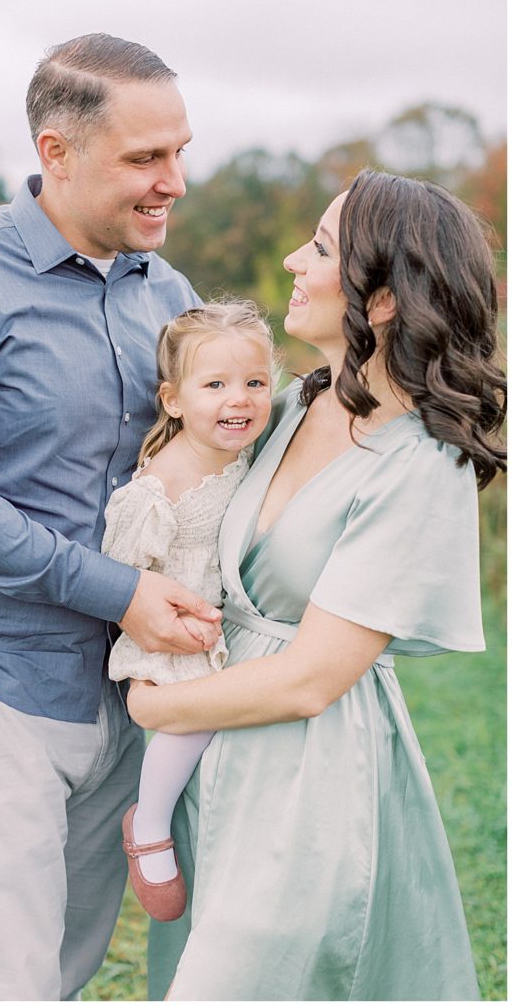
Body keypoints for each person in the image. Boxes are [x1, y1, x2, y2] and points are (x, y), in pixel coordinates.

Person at [0, 33, 223, 1002]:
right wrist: (123, 591)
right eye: (145, 158)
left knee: (56, 973)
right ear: (56, 152)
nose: (173, 181)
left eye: (179, 151)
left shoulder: (172, 298)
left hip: (115, 693)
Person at [128, 169, 507, 1001]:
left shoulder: (423, 461)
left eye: (323, 247)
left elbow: (311, 680)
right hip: (218, 761)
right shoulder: (299, 401)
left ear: (380, 301)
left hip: (312, 779)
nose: (296, 260)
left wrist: (154, 708)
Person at [101, 302, 276, 921]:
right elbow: (126, 578)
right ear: (173, 400)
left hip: (232, 620)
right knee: (191, 718)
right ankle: (148, 823)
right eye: (217, 385)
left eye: (256, 383)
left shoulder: (253, 451)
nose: (241, 399)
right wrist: (167, 618)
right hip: (175, 630)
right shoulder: (160, 487)